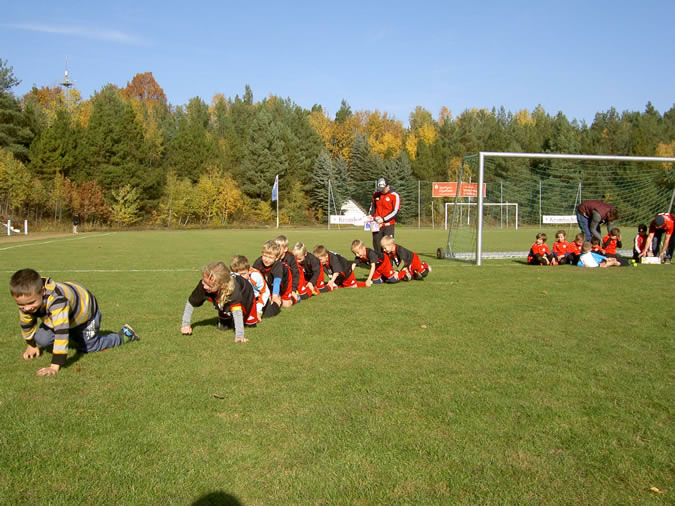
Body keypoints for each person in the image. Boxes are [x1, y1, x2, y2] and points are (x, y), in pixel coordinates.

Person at [9, 268, 139, 376]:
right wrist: (31, 345)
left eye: (31, 303)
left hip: (86, 314)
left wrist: (54, 367)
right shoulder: (27, 302)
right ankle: (75, 333)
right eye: (21, 305)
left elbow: (61, 333)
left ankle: (125, 335)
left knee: (89, 347)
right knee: (41, 339)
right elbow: (26, 324)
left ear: (42, 291)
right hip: (64, 316)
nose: (27, 308)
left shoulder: (57, 300)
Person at [180, 262, 256, 342]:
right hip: (221, 296)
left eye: (209, 285)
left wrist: (239, 336)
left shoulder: (234, 289)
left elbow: (237, 312)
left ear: (221, 284)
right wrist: (185, 324)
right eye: (204, 282)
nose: (204, 286)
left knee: (249, 323)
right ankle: (225, 313)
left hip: (245, 294)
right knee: (223, 327)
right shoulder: (203, 285)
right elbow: (191, 302)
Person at [252, 240, 287, 315]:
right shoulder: (258, 262)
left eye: (270, 257)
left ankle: (296, 296)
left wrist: (275, 296)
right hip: (267, 285)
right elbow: (252, 278)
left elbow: (277, 281)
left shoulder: (278, 265)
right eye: (265, 256)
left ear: (276, 258)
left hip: (282, 285)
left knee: (285, 303)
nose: (267, 260)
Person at [230, 255, 268, 323]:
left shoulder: (256, 276)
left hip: (258, 300)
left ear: (249, 271)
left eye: (243, 274)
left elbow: (265, 292)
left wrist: (258, 310)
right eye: (238, 275)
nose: (240, 278)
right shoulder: (232, 278)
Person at [368, 177, 401, 254]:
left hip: (388, 225)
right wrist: (370, 215)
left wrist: (383, 219)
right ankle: (379, 259)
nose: (381, 190)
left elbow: (395, 211)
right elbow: (373, 207)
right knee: (376, 244)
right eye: (380, 189)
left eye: (383, 189)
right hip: (376, 224)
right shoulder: (376, 194)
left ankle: (389, 260)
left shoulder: (394, 195)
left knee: (388, 245)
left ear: (387, 186)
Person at [275, 235, 300, 304]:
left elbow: (296, 274)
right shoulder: (273, 257)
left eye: (279, 247)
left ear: (285, 249)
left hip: (290, 284)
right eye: (275, 247)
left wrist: (293, 289)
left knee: (292, 299)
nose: (277, 250)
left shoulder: (291, 258)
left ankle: (295, 295)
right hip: (279, 283)